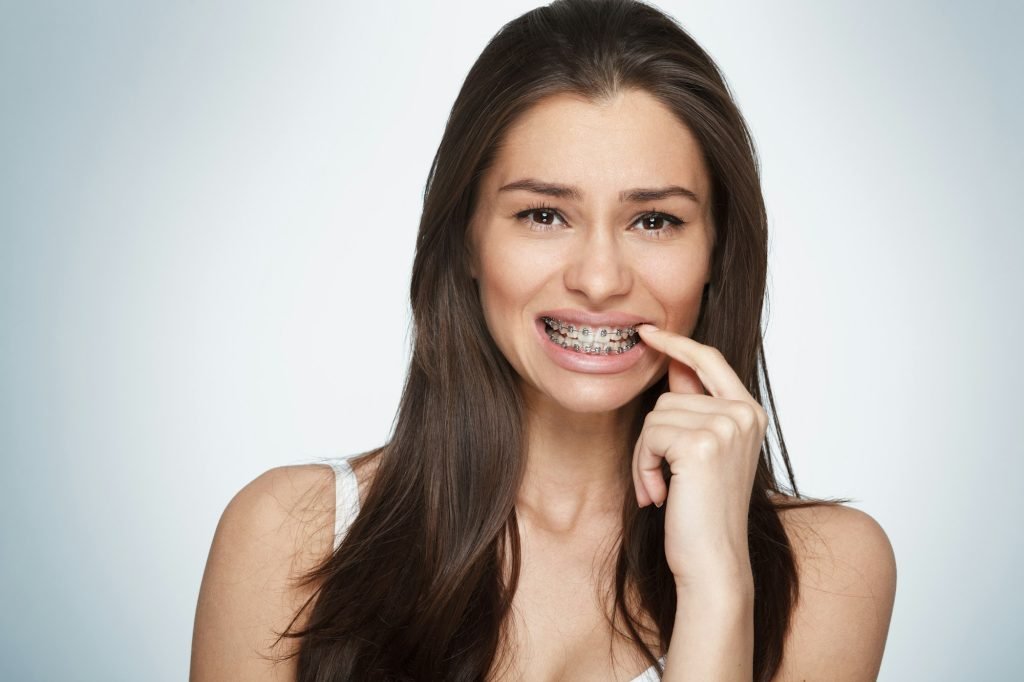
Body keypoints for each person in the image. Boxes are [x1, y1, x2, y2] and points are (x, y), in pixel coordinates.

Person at [190, 0, 897, 680]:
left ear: (717, 253)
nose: (598, 278)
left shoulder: (829, 572)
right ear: (466, 239)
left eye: (653, 221)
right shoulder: (289, 536)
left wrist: (716, 584)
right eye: (543, 215)